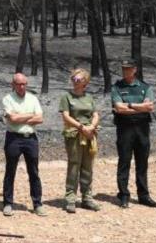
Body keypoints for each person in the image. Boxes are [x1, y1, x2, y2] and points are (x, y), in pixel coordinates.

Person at [111, 59, 156, 209]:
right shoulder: (117, 87)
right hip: (125, 128)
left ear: (135, 70)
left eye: (129, 68)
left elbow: (150, 107)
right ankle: (124, 195)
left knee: (142, 163)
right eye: (124, 69)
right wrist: (140, 107)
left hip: (142, 129)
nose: (126, 71)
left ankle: (143, 195)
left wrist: (130, 105)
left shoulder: (145, 87)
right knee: (124, 161)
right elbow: (119, 108)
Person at [1, 72, 46, 217]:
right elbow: (12, 118)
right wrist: (29, 116)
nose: (21, 86)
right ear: (13, 85)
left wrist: (20, 117)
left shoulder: (33, 98)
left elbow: (40, 119)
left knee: (34, 171)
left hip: (30, 139)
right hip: (14, 138)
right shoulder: (7, 99)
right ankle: (8, 203)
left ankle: (37, 203)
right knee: (10, 171)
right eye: (18, 84)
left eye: (24, 84)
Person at [58, 68, 101, 213]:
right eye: (73, 79)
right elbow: (66, 116)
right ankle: (70, 198)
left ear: (85, 81)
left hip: (89, 134)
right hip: (74, 134)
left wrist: (92, 127)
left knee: (88, 166)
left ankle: (87, 197)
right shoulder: (67, 97)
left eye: (78, 79)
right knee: (74, 165)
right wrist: (82, 127)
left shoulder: (89, 98)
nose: (75, 82)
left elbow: (95, 114)